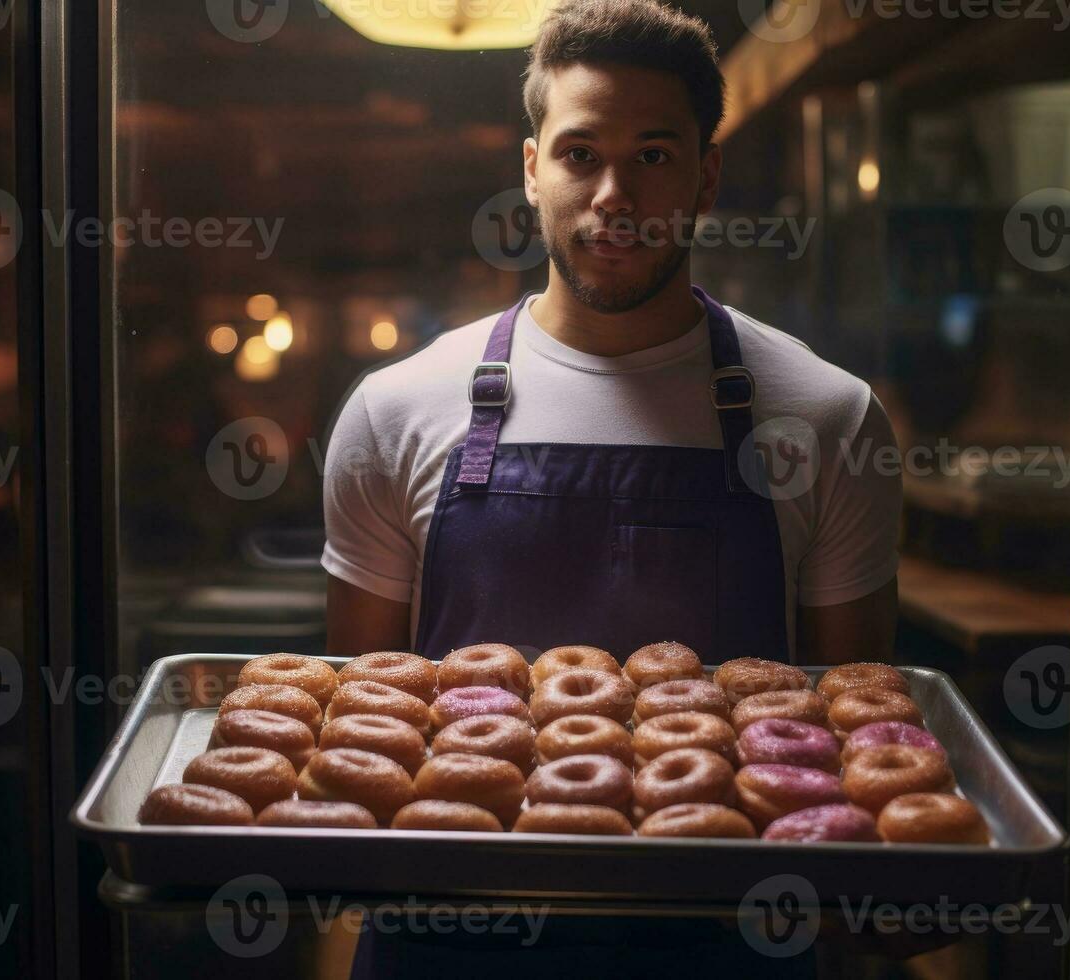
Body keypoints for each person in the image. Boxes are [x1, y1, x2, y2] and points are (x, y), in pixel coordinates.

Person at [321, 0, 902, 972]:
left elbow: (849, 739)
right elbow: (366, 743)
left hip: (727, 948)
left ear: (706, 175)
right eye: (580, 152)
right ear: (529, 170)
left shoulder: (828, 418)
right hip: (450, 943)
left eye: (654, 156)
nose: (613, 194)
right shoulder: (397, 410)